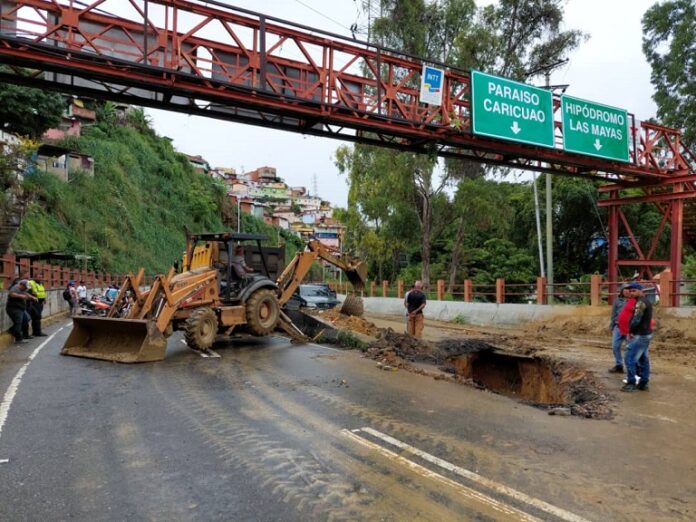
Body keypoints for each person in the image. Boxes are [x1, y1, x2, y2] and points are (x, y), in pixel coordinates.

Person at [621, 282, 654, 392]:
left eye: (634, 291)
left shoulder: (640, 303)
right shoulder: (645, 301)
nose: (631, 293)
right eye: (630, 291)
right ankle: (643, 382)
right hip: (645, 334)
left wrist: (631, 330)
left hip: (640, 335)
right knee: (643, 359)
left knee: (629, 358)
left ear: (641, 291)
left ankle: (631, 383)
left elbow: (636, 319)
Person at [5, 279, 37, 344]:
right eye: (25, 287)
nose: (26, 288)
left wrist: (32, 297)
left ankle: (12, 330)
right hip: (14, 308)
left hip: (21, 308)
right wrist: (21, 296)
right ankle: (18, 339)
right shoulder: (15, 288)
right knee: (18, 322)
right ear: (22, 285)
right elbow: (11, 294)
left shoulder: (23, 289)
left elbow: (26, 293)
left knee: (27, 319)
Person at [608, 285, 631, 373]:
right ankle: (619, 365)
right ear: (621, 291)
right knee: (615, 346)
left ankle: (631, 366)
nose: (627, 291)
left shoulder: (634, 301)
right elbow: (613, 314)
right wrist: (612, 326)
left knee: (629, 347)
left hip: (629, 328)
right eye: (625, 289)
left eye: (629, 289)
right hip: (618, 327)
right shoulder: (617, 301)